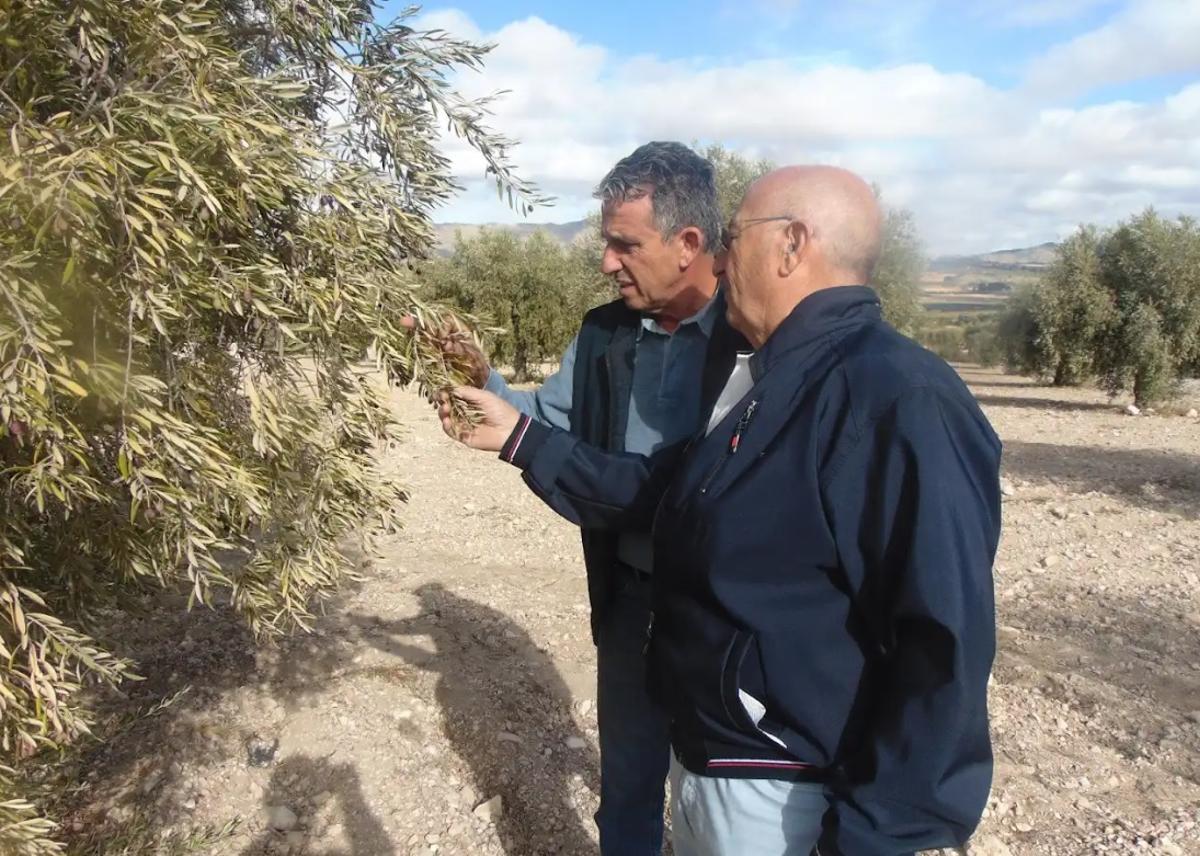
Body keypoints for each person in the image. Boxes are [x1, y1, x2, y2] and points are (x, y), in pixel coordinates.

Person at [441, 166, 1002, 855]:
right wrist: (519, 435)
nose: (723, 259)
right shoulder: (768, 381)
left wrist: (880, 837)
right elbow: (660, 488)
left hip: (785, 788)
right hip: (721, 766)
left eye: (735, 238)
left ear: (792, 245)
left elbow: (941, 645)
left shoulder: (897, 397)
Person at [411, 141, 740, 855]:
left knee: (722, 801)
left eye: (624, 244)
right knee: (627, 787)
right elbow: (548, 418)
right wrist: (487, 382)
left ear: (688, 243)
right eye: (604, 243)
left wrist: (520, 435)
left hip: (728, 616)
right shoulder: (605, 333)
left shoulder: (752, 339)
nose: (606, 263)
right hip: (628, 602)